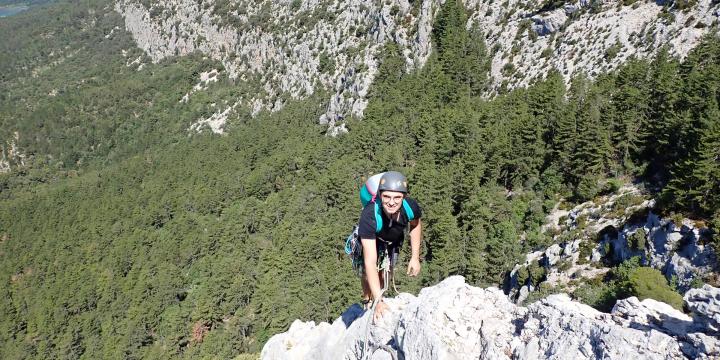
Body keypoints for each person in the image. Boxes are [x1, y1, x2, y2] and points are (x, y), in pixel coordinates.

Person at [356, 171, 422, 321]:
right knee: (367, 274)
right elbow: (370, 262)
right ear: (380, 195)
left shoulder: (410, 207)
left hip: (393, 238)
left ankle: (379, 295)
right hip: (374, 237)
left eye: (397, 198)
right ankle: (368, 301)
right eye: (387, 197)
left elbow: (416, 225)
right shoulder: (369, 215)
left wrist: (415, 257)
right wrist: (377, 302)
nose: (391, 202)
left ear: (404, 198)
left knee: (386, 271)